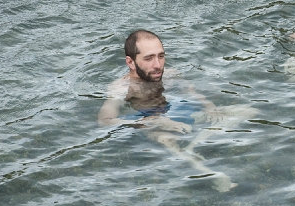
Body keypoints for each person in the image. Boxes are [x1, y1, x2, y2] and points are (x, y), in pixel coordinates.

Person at [98, 30, 237, 192]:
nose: (158, 65)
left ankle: (193, 145)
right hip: (149, 120)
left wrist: (210, 108)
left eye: (161, 56)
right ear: (130, 62)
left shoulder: (170, 75)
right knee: (165, 139)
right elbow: (104, 121)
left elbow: (195, 95)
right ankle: (212, 174)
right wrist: (147, 122)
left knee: (244, 111)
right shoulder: (121, 88)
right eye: (149, 58)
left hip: (175, 111)